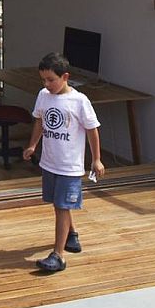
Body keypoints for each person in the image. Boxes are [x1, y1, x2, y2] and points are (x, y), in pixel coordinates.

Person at [22, 51, 104, 273]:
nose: (47, 84)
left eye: (51, 80)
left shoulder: (79, 101)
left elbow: (92, 130)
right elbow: (39, 121)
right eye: (44, 80)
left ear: (65, 77)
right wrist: (33, 145)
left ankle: (58, 256)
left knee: (61, 206)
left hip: (70, 167)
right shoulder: (43, 96)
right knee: (58, 205)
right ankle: (72, 235)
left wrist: (96, 159)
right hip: (49, 163)